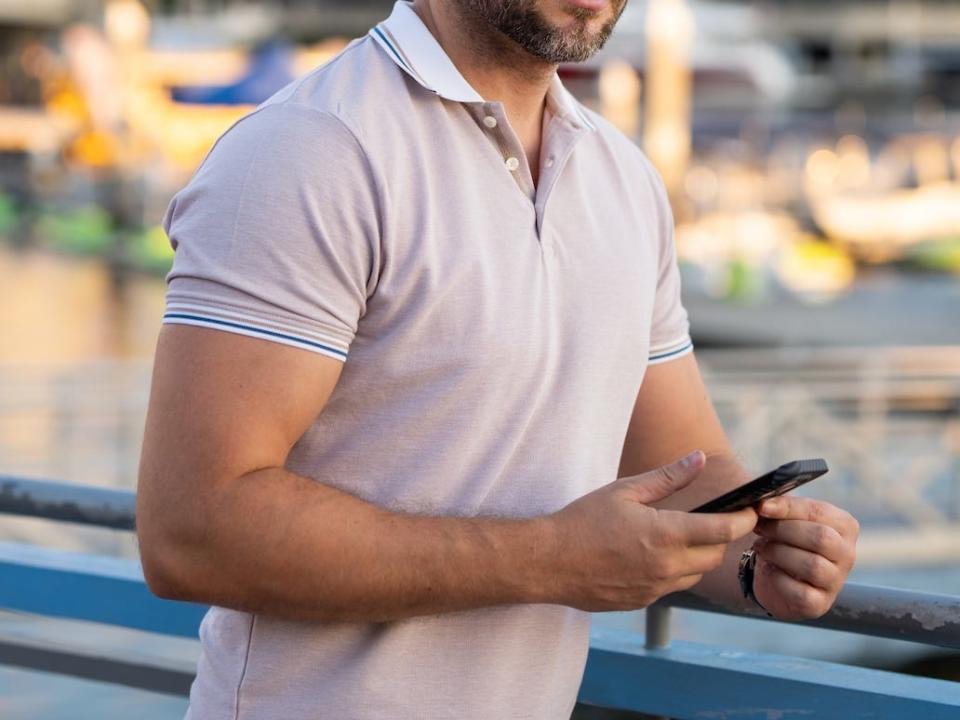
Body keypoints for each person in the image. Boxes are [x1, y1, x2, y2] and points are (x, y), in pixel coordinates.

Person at [136, 1, 859, 718]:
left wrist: (763, 554)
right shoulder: (308, 149)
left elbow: (679, 470)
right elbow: (191, 531)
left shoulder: (625, 180)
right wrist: (553, 559)